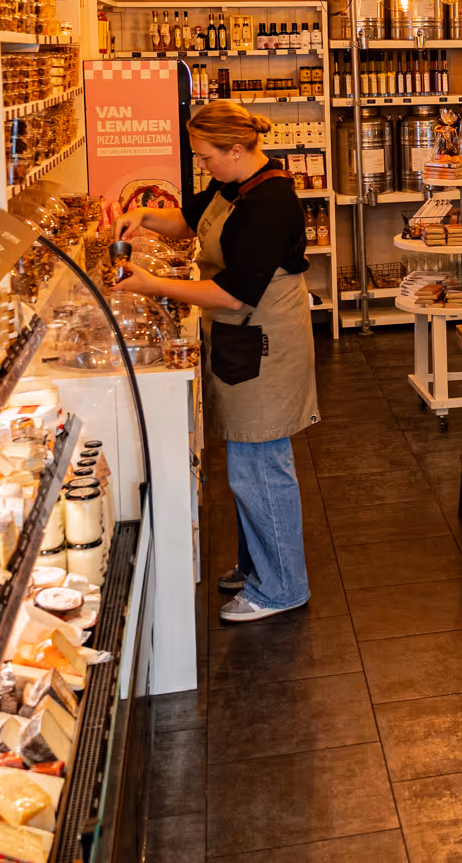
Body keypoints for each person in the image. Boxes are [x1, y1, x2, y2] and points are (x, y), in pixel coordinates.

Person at [106, 101, 320, 622]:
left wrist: (154, 285)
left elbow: (234, 293)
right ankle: (260, 567)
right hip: (242, 338)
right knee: (247, 460)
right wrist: (145, 217)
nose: (202, 166)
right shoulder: (234, 187)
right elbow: (189, 221)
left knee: (262, 464)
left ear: (237, 149)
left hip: (264, 339)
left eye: (205, 156)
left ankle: (282, 586)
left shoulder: (271, 201)